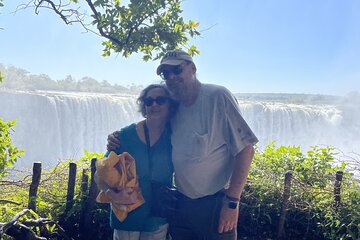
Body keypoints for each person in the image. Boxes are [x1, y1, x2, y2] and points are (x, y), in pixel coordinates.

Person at [108, 50, 258, 240]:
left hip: (214, 204)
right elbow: (151, 127)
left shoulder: (217, 96)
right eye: (166, 74)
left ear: (193, 68)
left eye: (177, 70)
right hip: (180, 204)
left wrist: (232, 202)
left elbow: (246, 149)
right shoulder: (174, 107)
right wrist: (117, 137)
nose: (172, 77)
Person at [101, 84, 178, 240]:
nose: (154, 104)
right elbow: (101, 173)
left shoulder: (175, 136)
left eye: (160, 100)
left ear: (170, 104)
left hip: (158, 216)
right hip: (127, 216)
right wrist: (111, 194)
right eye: (149, 101)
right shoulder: (125, 136)